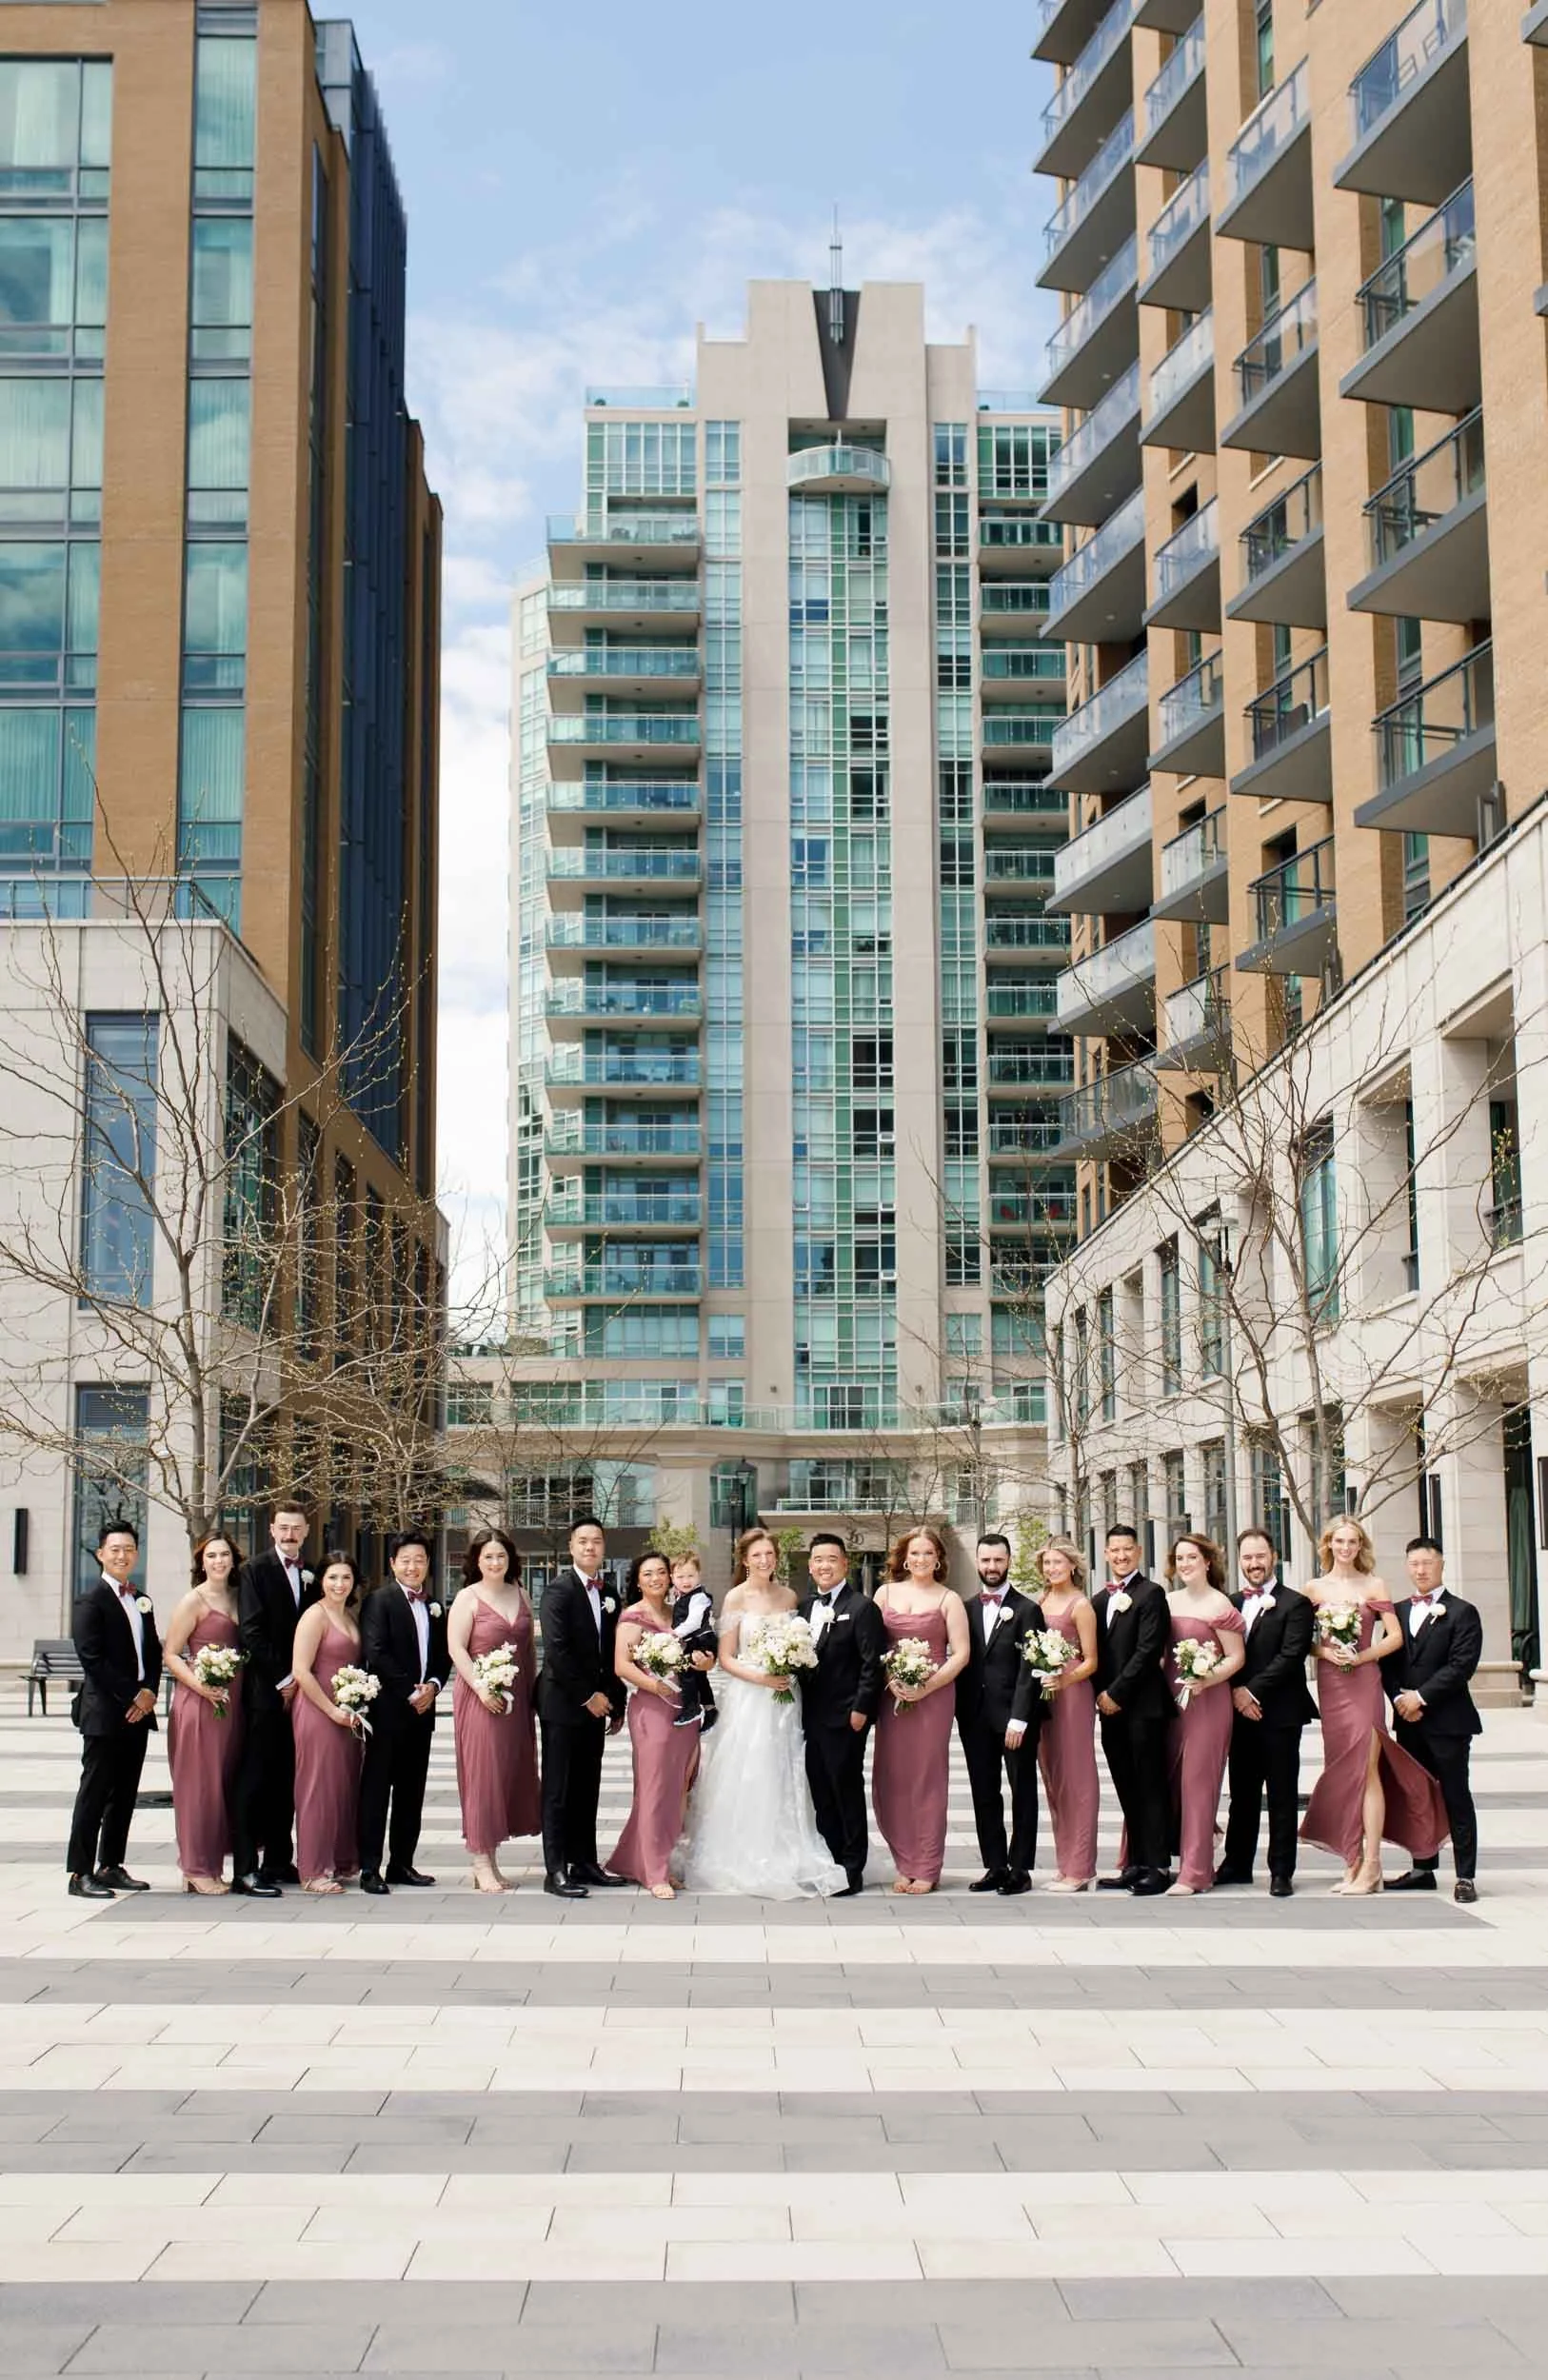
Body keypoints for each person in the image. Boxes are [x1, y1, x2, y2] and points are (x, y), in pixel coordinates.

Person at [679, 1527, 845, 1899]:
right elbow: (725, 1658)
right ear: (744, 1559)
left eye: (769, 1554)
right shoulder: (736, 1598)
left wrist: (791, 1667)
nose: (764, 1560)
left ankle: (788, 1847)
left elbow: (803, 1644)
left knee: (785, 1769)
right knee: (751, 1769)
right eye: (757, 1555)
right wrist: (762, 1677)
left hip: (787, 1696)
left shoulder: (789, 1596)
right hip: (750, 1697)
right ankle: (746, 1850)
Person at [1299, 1516, 1447, 1894]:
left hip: (1364, 1682)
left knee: (1368, 1770)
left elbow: (1394, 1637)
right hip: (1332, 1684)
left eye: (1353, 1542)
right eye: (1339, 1541)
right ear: (1329, 1544)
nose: (1346, 1548)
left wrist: (1362, 1657)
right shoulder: (1314, 1588)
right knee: (1343, 1771)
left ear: (1360, 1546)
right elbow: (1300, 1641)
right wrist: (1328, 1655)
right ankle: (1353, 1861)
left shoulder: (1374, 1584)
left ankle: (1373, 1865)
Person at [1216, 1527, 1318, 1899]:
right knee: (1241, 1793)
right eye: (1247, 1558)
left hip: (1280, 1713)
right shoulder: (1228, 1603)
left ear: (1273, 1556)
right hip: (1239, 1714)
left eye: (1260, 1556)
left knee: (1281, 1794)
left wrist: (1250, 1691)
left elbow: (1291, 1657)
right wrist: (1235, 1694)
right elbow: (1221, 1654)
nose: (1254, 1564)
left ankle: (1281, 1870)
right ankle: (1237, 1864)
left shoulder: (1296, 1603)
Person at [1381, 1537, 1482, 1904]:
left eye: (1427, 1563)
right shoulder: (1397, 1611)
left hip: (1448, 1721)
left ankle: (1466, 1876)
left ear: (1441, 1564)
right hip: (1407, 1721)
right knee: (1416, 1797)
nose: (1420, 1570)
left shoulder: (1462, 1612)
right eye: (1414, 1564)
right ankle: (1423, 1867)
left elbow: (1461, 1666)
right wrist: (1397, 1697)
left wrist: (1420, 1697)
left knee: (1456, 1796)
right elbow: (1387, 1663)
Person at [66, 1519, 162, 1898]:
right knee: (94, 1793)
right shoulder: (91, 1601)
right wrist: (132, 1695)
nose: (122, 1555)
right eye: (115, 1550)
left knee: (124, 1794)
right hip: (106, 1714)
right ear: (101, 1555)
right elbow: (92, 1658)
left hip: (139, 1712)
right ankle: (79, 1873)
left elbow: (152, 1651)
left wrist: (150, 1691)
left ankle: (111, 1865)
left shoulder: (142, 1599)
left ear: (136, 1554)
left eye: (129, 1549)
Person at [871, 1527, 970, 1894]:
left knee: (927, 1778)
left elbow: (961, 1653)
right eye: (915, 1553)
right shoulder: (884, 1593)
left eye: (928, 1553)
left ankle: (927, 1865)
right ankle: (904, 1860)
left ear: (939, 1558)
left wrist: (926, 1686)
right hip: (891, 1694)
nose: (921, 1559)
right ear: (904, 1557)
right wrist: (890, 1678)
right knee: (891, 1776)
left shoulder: (949, 1599)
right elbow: (874, 1645)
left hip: (935, 1695)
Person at [536, 1516, 626, 1899]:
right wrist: (588, 1696)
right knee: (558, 1789)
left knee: (588, 1786)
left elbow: (610, 1652)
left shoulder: (610, 1594)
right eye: (583, 1541)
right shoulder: (558, 1591)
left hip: (597, 1707)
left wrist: (614, 1700)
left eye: (597, 1542)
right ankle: (555, 1869)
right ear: (572, 1547)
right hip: (563, 1704)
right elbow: (557, 1652)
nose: (590, 1547)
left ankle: (585, 1862)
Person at [232, 1499, 317, 1896]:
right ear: (272, 1530)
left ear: (306, 1531)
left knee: (288, 1778)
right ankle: (246, 1869)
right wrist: (284, 1678)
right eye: (283, 1528)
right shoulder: (253, 1571)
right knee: (255, 1781)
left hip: (303, 1696)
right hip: (267, 1693)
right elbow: (251, 1632)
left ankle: (280, 1860)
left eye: (296, 1529)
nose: (289, 1535)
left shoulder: (313, 1574)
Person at [448, 1525, 540, 1893]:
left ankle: (492, 1859)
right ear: (476, 1560)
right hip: (480, 1698)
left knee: (505, 1776)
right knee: (482, 1777)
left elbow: (529, 1650)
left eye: (501, 1555)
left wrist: (533, 1697)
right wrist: (483, 1688)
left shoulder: (522, 1593)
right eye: (488, 1556)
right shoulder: (467, 1598)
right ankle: (480, 1859)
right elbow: (456, 1649)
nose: (495, 1561)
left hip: (517, 1700)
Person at [357, 1529, 447, 1894]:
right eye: (406, 1560)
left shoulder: (435, 1605)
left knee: (412, 1792)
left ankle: (401, 1863)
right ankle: (368, 1867)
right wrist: (412, 1691)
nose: (413, 1567)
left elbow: (441, 1656)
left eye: (420, 1560)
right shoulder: (379, 1601)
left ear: (427, 1564)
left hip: (422, 1714)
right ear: (393, 1563)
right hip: (388, 1712)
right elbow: (376, 1653)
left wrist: (435, 1686)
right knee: (377, 1792)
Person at [608, 1551, 703, 1899]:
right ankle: (653, 1871)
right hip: (653, 1709)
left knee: (678, 1790)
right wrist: (655, 1686)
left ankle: (651, 1859)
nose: (655, 1579)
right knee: (654, 1790)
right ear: (637, 1580)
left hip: (684, 1710)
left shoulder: (680, 1611)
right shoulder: (633, 1617)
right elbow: (622, 1665)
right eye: (647, 1574)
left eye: (661, 1572)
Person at [797, 1531, 886, 1895]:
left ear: (845, 1563)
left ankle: (852, 1868)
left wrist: (862, 1709)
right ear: (810, 1565)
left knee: (846, 1790)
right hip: (810, 1717)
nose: (824, 1566)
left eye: (831, 1559)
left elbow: (872, 1664)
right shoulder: (804, 1609)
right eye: (818, 1560)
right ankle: (830, 1861)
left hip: (846, 1717)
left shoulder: (863, 1607)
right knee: (821, 1791)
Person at [957, 1531, 1044, 1896]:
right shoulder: (965, 1609)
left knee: (1022, 1790)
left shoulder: (1028, 1609)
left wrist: (1019, 1718)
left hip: (1015, 1719)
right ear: (977, 1562)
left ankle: (1020, 1868)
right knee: (984, 1791)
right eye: (986, 1560)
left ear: (1008, 1561)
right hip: (974, 1717)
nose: (992, 1567)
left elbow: (1031, 1668)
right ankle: (995, 1864)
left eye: (998, 1560)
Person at [1092, 1523, 1174, 1896]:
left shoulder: (1152, 1594)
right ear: (1106, 1554)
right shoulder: (1098, 1600)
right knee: (1126, 1786)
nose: (1121, 1556)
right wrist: (1100, 1694)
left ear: (1138, 1552)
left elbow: (1148, 1651)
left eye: (1128, 1549)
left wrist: (1116, 1693)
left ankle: (1158, 1865)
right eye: (1115, 1550)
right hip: (1110, 1711)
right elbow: (1093, 1656)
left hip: (1143, 1708)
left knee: (1151, 1786)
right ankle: (1136, 1862)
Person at [1015, 1537, 1101, 1893]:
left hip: (1073, 1695)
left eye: (1058, 1563)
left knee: (1077, 1777)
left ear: (1072, 1565)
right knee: (1052, 1776)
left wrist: (1065, 1678)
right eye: (1047, 1564)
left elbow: (1093, 1660)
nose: (1052, 1569)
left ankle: (1081, 1868)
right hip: (1044, 1695)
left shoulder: (1081, 1606)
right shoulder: (1042, 1600)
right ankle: (1066, 1863)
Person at [163, 1532, 245, 1894]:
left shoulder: (238, 1596)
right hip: (199, 1703)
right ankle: (196, 1867)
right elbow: (171, 1654)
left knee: (221, 1786)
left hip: (232, 1704)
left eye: (224, 1554)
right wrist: (201, 1686)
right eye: (211, 1555)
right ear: (201, 1561)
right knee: (199, 1787)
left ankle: (207, 1864)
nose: (218, 1561)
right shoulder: (192, 1601)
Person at [1163, 1535, 1245, 1895]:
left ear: (1207, 1561)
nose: (1185, 1564)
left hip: (1207, 1704)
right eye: (1179, 1558)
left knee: (1198, 1783)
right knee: (1170, 1782)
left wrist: (1206, 1678)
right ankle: (1166, 1857)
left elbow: (1235, 1658)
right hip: (1169, 1704)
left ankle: (1195, 1871)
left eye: (1192, 1557)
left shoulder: (1219, 1604)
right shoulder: (1167, 1601)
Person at [290, 1550, 366, 1894]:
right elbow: (301, 1672)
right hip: (318, 1712)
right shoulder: (314, 1616)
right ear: (321, 1580)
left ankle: (338, 1859)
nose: (339, 1584)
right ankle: (313, 1869)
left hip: (347, 1714)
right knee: (317, 1788)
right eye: (333, 1577)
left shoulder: (350, 1616)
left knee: (342, 1786)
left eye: (346, 1578)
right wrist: (331, 1710)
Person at [667, 1551, 719, 1734]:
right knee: (698, 1677)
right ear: (672, 1577)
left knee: (685, 1671)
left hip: (703, 1640)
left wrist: (672, 1634)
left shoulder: (699, 1597)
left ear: (699, 1575)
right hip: (695, 1640)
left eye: (691, 1575)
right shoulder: (681, 1596)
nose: (686, 1580)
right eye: (680, 1576)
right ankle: (710, 1709)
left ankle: (692, 1707)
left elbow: (694, 1622)